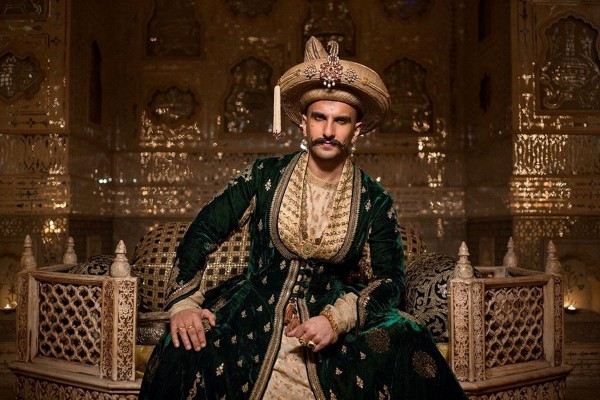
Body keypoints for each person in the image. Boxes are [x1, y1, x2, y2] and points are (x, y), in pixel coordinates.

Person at [139, 37, 466, 400]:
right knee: (182, 345)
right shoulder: (263, 176)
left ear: (356, 129)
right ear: (303, 123)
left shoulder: (374, 199)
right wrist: (184, 304)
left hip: (329, 319)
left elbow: (389, 280)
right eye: (319, 118)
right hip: (252, 312)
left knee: (408, 337)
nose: (328, 131)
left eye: (341, 121)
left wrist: (336, 320)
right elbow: (203, 230)